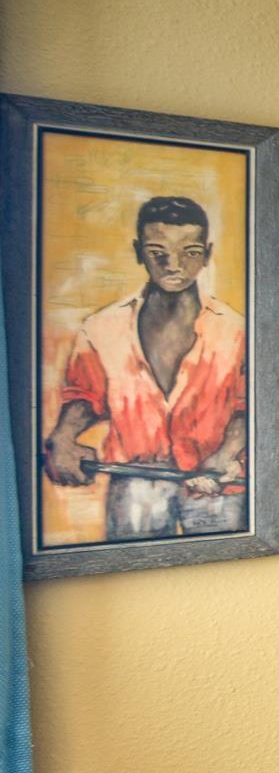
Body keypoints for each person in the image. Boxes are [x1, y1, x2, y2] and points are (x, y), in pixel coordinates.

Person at [43, 195, 249, 539]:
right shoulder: (101, 328)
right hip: (135, 480)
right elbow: (85, 395)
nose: (173, 265)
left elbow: (249, 405)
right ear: (138, 251)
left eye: (190, 252)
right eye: (157, 252)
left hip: (218, 482)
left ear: (207, 254)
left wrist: (225, 454)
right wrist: (63, 438)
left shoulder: (237, 330)